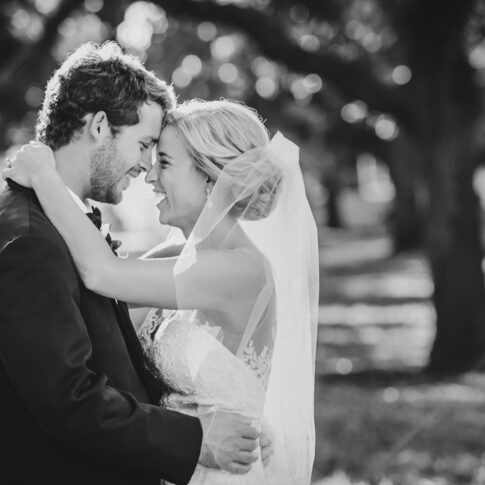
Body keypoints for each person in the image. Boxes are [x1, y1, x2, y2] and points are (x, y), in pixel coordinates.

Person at [5, 98, 319, 484]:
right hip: (178, 458)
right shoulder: (176, 257)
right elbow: (98, 307)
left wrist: (44, 177)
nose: (150, 177)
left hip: (223, 467)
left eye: (165, 163)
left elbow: (102, 274)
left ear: (211, 178)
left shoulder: (241, 270)